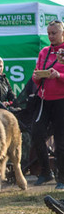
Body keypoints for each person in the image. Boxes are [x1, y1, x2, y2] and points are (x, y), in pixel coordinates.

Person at [31, 20, 64, 188]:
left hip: (61, 101)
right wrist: (36, 77)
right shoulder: (44, 51)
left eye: (54, 33)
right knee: (36, 133)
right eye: (49, 33)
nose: (50, 36)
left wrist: (59, 75)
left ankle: (62, 178)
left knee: (60, 140)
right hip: (44, 100)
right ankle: (46, 172)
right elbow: (36, 75)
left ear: (62, 33)